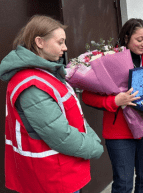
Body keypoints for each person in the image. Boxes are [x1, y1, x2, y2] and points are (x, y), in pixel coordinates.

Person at [0, 15, 104, 193]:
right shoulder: (31, 84)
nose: (65, 47)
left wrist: (90, 136)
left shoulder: (44, 73)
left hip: (59, 171)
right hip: (52, 177)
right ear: (39, 42)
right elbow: (60, 135)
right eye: (60, 42)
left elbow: (70, 113)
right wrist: (94, 147)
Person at [82, 18, 143, 193]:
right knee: (123, 183)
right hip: (119, 131)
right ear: (126, 37)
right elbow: (88, 96)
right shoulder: (108, 60)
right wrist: (114, 101)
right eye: (139, 39)